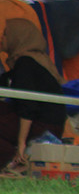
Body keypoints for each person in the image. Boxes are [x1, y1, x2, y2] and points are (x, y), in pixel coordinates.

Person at [0, 19, 66, 169]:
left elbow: (28, 106)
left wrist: (21, 143)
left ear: (17, 38)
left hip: (44, 124)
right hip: (38, 120)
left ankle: (10, 161)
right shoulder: (25, 63)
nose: (2, 38)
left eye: (5, 34)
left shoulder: (26, 64)